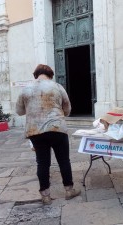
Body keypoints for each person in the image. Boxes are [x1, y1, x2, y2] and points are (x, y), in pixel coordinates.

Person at [16, 64, 80, 205]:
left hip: (35, 131)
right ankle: (69, 190)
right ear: (50, 75)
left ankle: (45, 196)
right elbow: (67, 109)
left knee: (42, 163)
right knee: (64, 160)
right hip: (57, 128)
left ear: (36, 74)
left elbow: (19, 111)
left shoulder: (25, 89)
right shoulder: (57, 87)